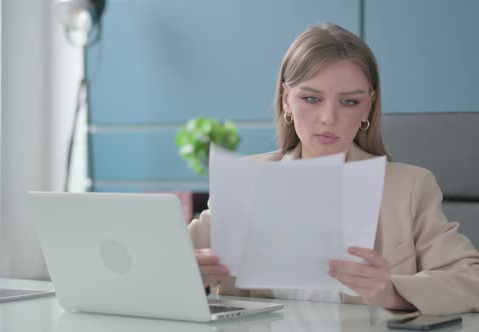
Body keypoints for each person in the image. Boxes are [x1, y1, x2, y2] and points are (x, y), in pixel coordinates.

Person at [188, 23, 479, 315]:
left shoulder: (409, 187)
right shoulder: (246, 181)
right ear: (286, 100)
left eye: (349, 101)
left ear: (368, 106)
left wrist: (393, 291)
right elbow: (158, 260)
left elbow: (471, 280)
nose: (328, 118)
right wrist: (187, 274)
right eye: (311, 98)